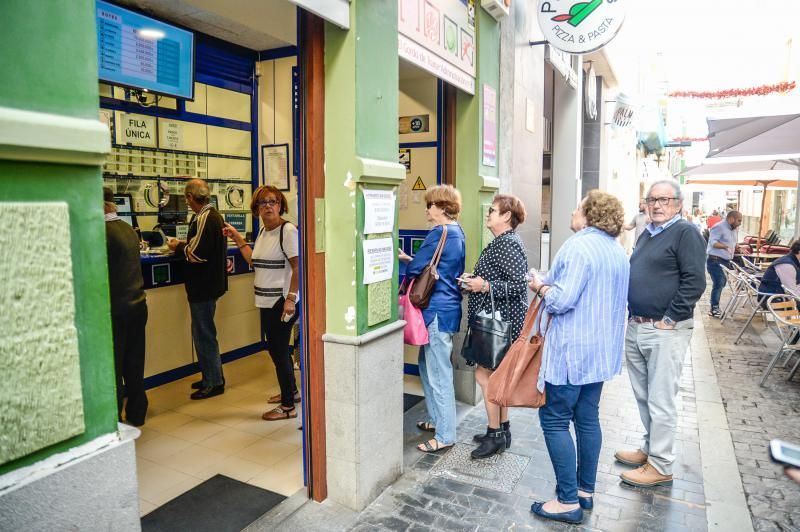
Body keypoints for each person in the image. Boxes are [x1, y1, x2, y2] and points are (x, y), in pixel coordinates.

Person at [527, 191, 630, 525]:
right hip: (599, 354)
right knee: (587, 419)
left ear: (589, 214)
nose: (572, 210)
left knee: (555, 420)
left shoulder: (578, 246)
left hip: (572, 353)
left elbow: (561, 300)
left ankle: (567, 500)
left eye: (578, 206)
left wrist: (539, 285)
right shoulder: (617, 251)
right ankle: (585, 491)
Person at [617, 180, 706, 488]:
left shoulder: (686, 233)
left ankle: (661, 464)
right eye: (652, 199)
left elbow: (695, 282)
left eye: (664, 200)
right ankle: (650, 448)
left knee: (661, 399)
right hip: (639, 325)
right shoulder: (648, 234)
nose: (656, 205)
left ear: (678, 204)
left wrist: (669, 320)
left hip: (664, 330)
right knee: (644, 396)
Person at [223, 186, 301, 421]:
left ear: (281, 206)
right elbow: (254, 261)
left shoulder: (286, 231)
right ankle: (292, 392)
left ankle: (288, 406)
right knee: (277, 351)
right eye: (262, 203)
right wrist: (237, 237)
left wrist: (290, 298)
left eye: (273, 201)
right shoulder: (263, 231)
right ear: (256, 208)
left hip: (280, 302)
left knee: (277, 351)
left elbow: (298, 266)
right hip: (265, 300)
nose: (268, 206)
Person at [460, 194, 528, 459]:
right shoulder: (503, 242)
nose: (488, 214)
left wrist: (484, 285)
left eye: (492, 210)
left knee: (484, 375)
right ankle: (502, 430)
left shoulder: (507, 244)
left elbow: (519, 287)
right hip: (500, 321)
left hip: (499, 325)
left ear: (506, 216)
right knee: (497, 377)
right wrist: (475, 280)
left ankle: (495, 433)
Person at [398, 185, 466, 454]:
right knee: (428, 367)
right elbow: (439, 268)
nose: (427, 209)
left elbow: (418, 269)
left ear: (442, 208)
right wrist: (413, 259)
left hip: (435, 310)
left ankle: (446, 434)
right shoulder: (457, 232)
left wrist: (408, 261)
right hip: (447, 308)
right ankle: (439, 421)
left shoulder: (439, 232)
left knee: (437, 374)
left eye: (430, 205)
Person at [167, 179, 228, 400]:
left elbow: (196, 254)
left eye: (186, 198)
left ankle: (214, 382)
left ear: (191, 198)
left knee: (204, 334)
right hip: (209, 284)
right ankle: (211, 375)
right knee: (203, 332)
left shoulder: (204, 217)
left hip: (203, 286)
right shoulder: (212, 215)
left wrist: (178, 246)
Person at [103, 187, 148, 426]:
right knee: (135, 363)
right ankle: (137, 412)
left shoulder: (102, 232)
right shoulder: (129, 229)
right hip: (138, 306)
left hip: (116, 309)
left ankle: (114, 418)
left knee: (114, 365)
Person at [707, 211, 742, 318]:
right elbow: (713, 243)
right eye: (739, 220)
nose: (740, 223)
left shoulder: (734, 229)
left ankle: (714, 306)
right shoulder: (719, 227)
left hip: (726, 261)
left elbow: (734, 242)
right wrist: (726, 246)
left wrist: (738, 247)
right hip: (715, 260)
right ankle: (714, 308)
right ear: (731, 219)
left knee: (721, 283)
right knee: (719, 282)